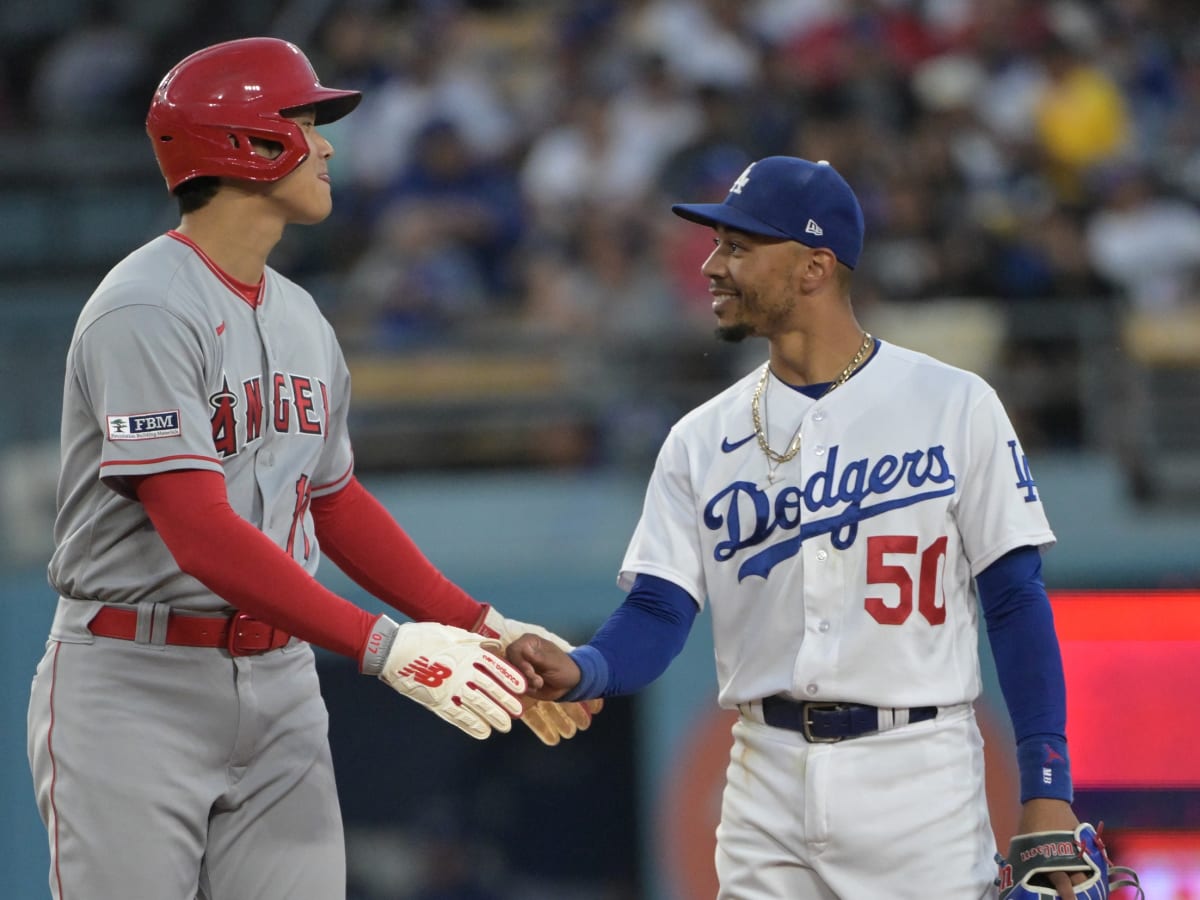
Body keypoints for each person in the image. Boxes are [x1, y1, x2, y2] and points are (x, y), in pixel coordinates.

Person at [26, 37, 597, 900]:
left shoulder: (301, 317)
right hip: (134, 681)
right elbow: (200, 533)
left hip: (282, 680)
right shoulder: (142, 306)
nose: (326, 145)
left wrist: (479, 622)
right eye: (303, 122)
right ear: (245, 145)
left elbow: (332, 500)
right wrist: (386, 647)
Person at [508, 156, 1091, 898]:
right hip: (763, 775)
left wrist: (1047, 782)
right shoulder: (699, 436)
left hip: (917, 775)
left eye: (740, 247)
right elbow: (658, 610)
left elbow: (1014, 601)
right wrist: (586, 668)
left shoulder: (953, 404)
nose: (713, 266)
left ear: (814, 267)